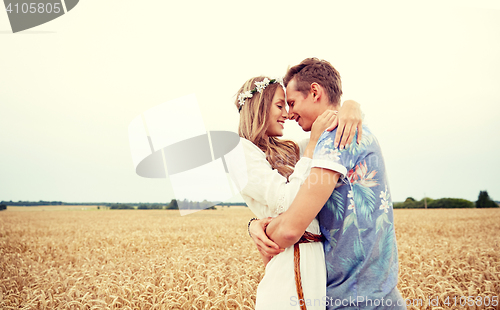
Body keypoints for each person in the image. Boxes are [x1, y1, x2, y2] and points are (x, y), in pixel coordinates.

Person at [249, 58, 406, 310]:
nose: (289, 113)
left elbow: (290, 229)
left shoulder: (333, 141)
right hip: (384, 296)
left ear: (315, 92)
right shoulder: (362, 132)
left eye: (291, 103)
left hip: (351, 300)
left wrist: (259, 229)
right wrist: (351, 106)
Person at [233, 75, 363, 310]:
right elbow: (287, 201)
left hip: (314, 264)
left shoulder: (290, 149)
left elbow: (327, 132)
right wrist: (312, 145)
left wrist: (351, 105)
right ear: (259, 107)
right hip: (288, 267)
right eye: (280, 105)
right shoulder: (239, 151)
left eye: (288, 105)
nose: (287, 114)